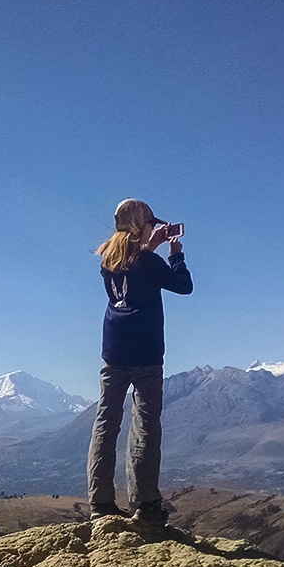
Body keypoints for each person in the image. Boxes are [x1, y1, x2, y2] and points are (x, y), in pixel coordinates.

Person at [87, 198, 193, 523]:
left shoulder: (108, 258)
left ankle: (100, 503)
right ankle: (145, 504)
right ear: (141, 225)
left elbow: (132, 275)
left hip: (114, 352)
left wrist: (150, 246)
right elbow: (184, 286)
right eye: (151, 223)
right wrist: (175, 254)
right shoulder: (148, 261)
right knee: (146, 424)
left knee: (107, 421)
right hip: (146, 354)